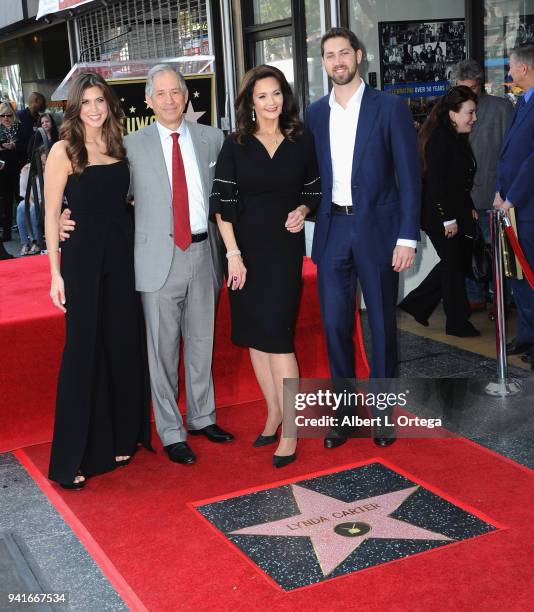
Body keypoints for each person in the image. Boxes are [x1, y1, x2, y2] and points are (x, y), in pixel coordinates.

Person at [60, 64, 233, 465]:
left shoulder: (213, 139)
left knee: (202, 342)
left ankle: (203, 417)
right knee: (161, 349)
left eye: (176, 92)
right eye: (161, 93)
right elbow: (98, 189)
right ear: (149, 100)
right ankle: (170, 431)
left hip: (204, 254)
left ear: (187, 96)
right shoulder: (130, 145)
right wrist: (59, 216)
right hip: (157, 259)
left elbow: (228, 197)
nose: (170, 100)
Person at [305, 28, 421, 449]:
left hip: (378, 231)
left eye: (343, 53)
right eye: (329, 55)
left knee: (382, 326)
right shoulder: (315, 114)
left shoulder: (389, 108)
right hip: (333, 229)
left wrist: (407, 237)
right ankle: (343, 413)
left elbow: (409, 178)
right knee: (335, 325)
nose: (337, 61)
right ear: (323, 63)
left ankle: (385, 413)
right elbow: (311, 176)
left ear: (359, 56)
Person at [210, 65, 320, 468]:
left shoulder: (300, 139)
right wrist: (233, 255)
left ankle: (291, 427)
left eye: (276, 94)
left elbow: (314, 185)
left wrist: (303, 207)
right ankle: (273, 412)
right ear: (250, 102)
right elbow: (222, 202)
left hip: (284, 251)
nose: (271, 102)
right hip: (245, 252)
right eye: (262, 96)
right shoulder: (235, 144)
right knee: (257, 336)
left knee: (279, 337)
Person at [45, 72, 151, 489]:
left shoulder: (118, 145)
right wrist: (54, 273)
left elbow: (128, 201)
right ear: (75, 108)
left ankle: (122, 436)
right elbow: (52, 216)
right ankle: (73, 456)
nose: (93, 109)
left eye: (99, 101)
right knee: (83, 349)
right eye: (85, 102)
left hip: (122, 257)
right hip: (83, 260)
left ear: (109, 104)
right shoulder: (63, 149)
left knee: (121, 342)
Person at [399, 86, 480, 337]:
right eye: (470, 112)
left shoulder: (455, 136)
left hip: (453, 212)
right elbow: (436, 182)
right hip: (439, 215)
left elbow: (458, 182)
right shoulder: (441, 138)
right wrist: (449, 219)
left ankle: (417, 304)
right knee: (454, 265)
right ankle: (456, 323)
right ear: (453, 113)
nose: (474, 118)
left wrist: (470, 209)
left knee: (454, 263)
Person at [453, 59, 514, 314]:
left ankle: (499, 298)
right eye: (460, 88)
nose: (466, 93)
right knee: (467, 250)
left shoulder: (501, 108)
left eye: (471, 88)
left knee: (496, 253)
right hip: (462, 196)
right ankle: (474, 296)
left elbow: (511, 152)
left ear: (480, 85)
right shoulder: (449, 107)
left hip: (493, 195)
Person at [494, 44, 534, 362]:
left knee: (531, 273)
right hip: (512, 206)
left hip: (527, 207)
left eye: (511, 66)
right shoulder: (523, 101)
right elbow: (509, 154)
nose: (509, 73)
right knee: (517, 275)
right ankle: (527, 335)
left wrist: (512, 197)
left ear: (524, 68)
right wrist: (499, 191)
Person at [0, 101, 26, 242]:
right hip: (3, 171)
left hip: (18, 169)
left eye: (8, 115)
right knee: (6, 203)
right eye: (2, 115)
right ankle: (6, 233)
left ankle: (26, 233)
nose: (6, 118)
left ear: (13, 115)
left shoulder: (20, 128)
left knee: (21, 201)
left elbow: (27, 146)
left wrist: (14, 145)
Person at [17, 146, 47, 256]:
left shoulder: (52, 168)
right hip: (30, 199)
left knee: (35, 208)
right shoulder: (27, 169)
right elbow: (24, 191)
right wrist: (30, 202)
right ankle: (25, 243)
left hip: (46, 200)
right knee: (21, 206)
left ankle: (37, 241)